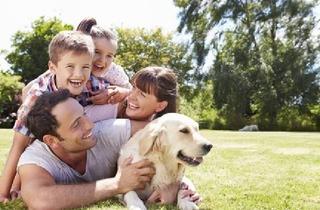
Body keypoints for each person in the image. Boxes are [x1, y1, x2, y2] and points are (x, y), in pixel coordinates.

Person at [0, 30, 114, 202]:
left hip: (72, 122)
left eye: (85, 67)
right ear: (53, 68)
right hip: (44, 123)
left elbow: (127, 97)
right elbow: (18, 146)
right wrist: (4, 193)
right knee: (32, 140)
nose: (79, 74)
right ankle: (19, 183)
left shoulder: (92, 82)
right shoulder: (35, 100)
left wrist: (122, 92)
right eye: (70, 67)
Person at [18, 89, 154, 209]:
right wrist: (117, 184)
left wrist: (172, 186)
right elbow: (40, 200)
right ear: (52, 140)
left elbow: (162, 129)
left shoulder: (107, 132)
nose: (90, 125)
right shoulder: (35, 159)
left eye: (84, 114)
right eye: (76, 124)